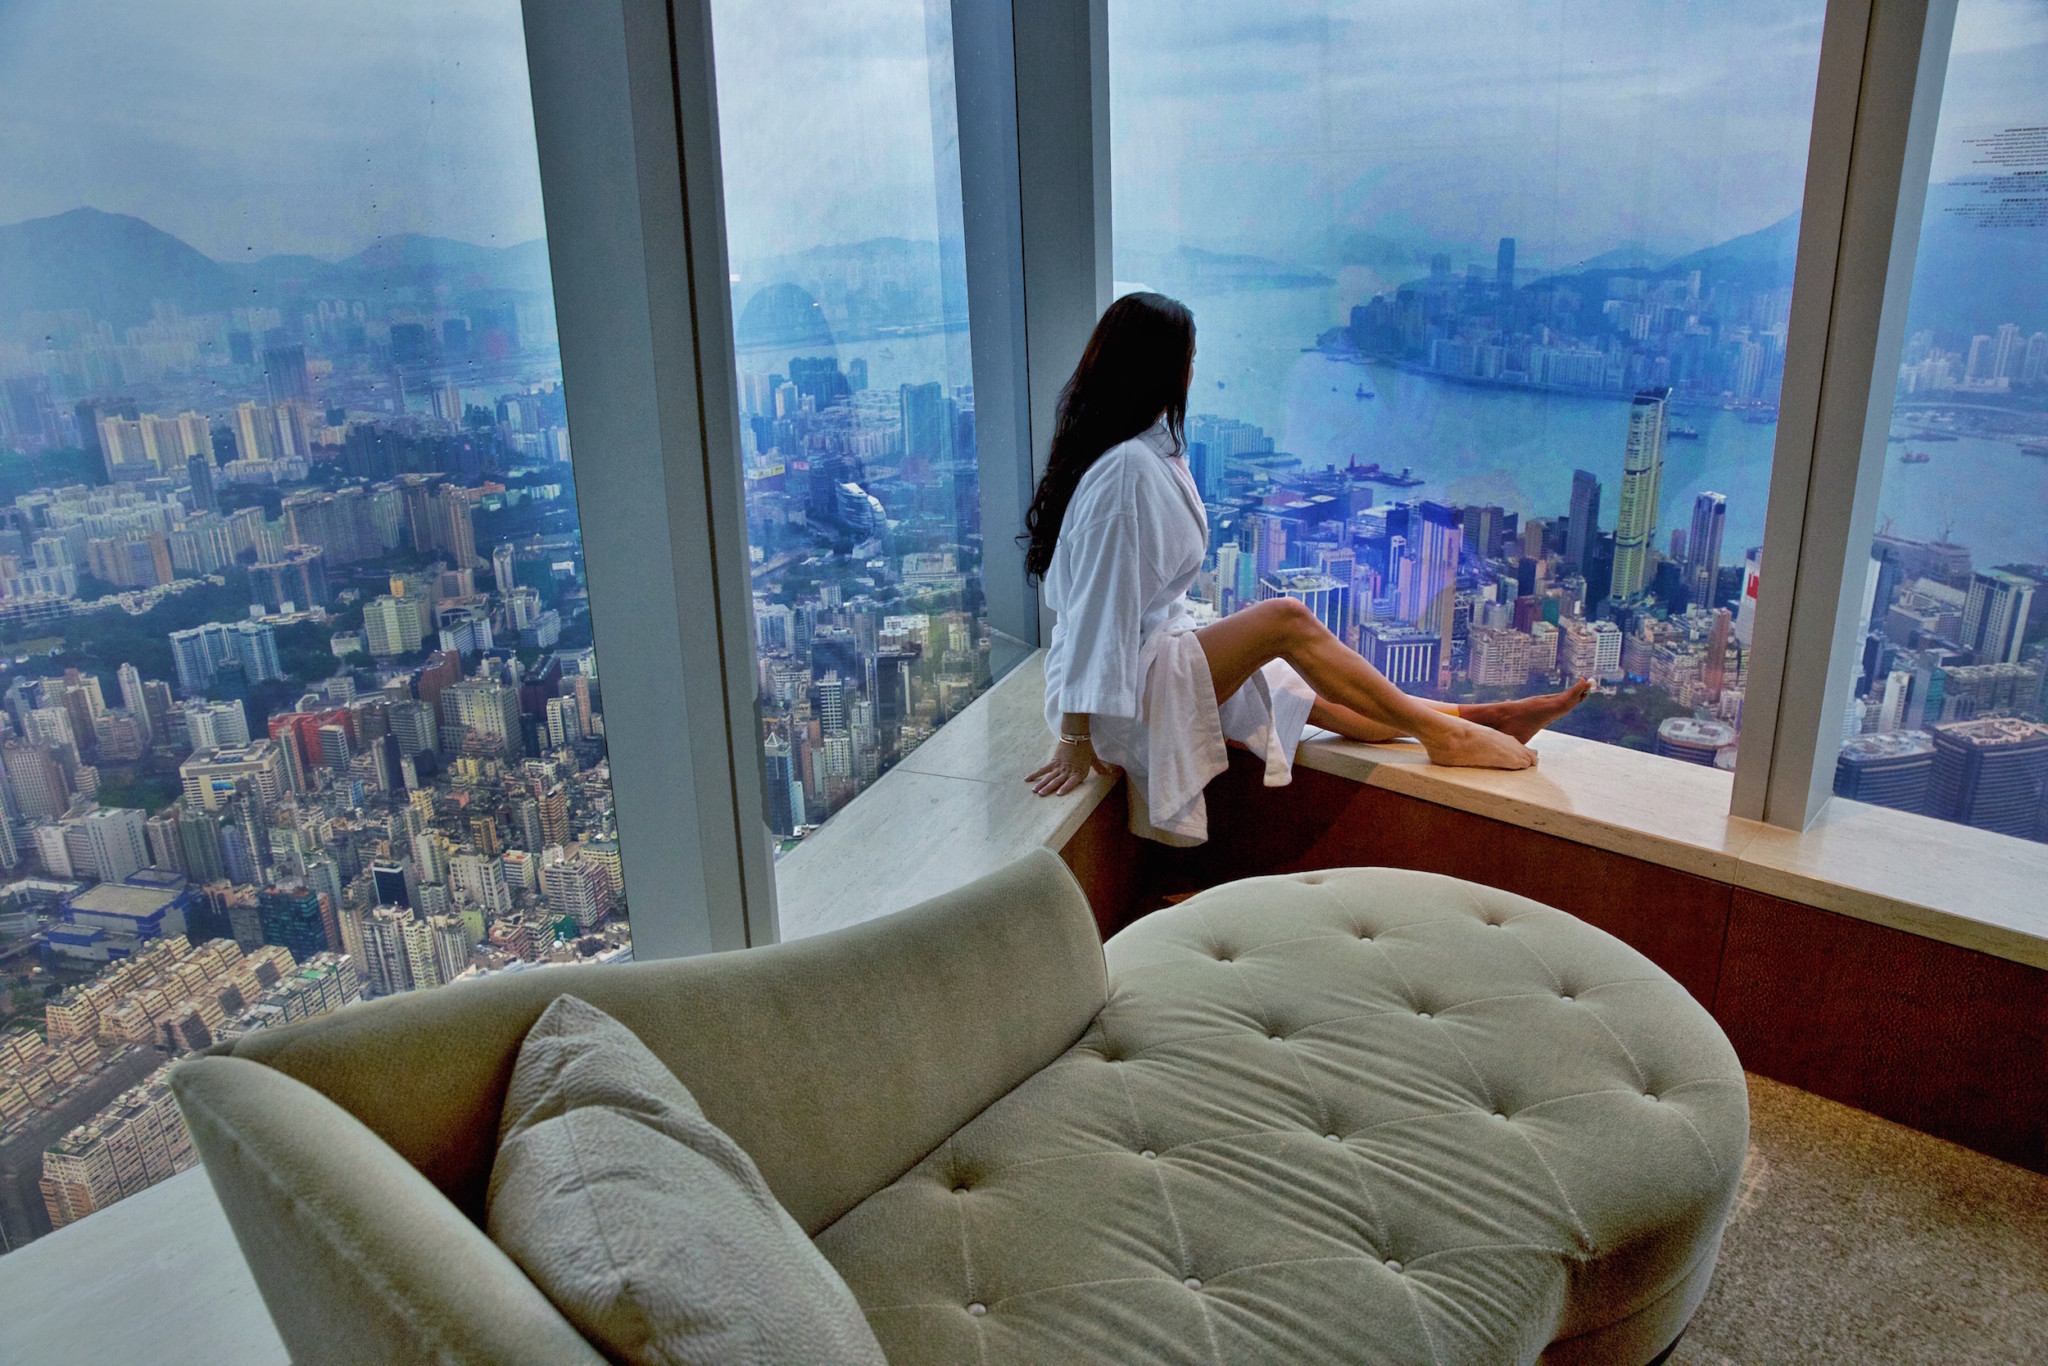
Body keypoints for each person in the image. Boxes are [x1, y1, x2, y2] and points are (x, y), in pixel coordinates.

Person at [1024, 292, 1589, 844]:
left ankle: (1484, 717)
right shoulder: (1127, 469)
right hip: (1116, 696)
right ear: (1161, 370)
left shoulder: (1147, 451)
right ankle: (1445, 737)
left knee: (1307, 694)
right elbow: (1099, 612)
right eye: (1188, 360)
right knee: (1286, 620)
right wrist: (1075, 738)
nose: (1193, 373)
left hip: (1141, 665)